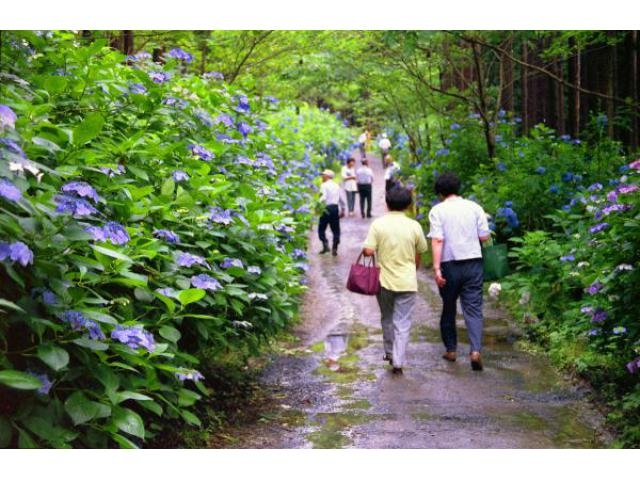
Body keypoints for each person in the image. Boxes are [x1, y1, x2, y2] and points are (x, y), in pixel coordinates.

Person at [427, 172, 491, 371]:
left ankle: (451, 350)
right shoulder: (475, 208)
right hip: (473, 263)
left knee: (448, 306)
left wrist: (437, 269)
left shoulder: (437, 211)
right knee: (473, 307)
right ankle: (475, 351)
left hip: (449, 264)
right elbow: (484, 237)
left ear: (440, 192)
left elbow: (438, 240)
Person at [362, 186, 428, 375]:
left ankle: (390, 352)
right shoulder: (414, 226)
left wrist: (372, 249)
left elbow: (368, 250)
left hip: (383, 281)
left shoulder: (378, 224)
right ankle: (398, 361)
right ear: (408, 205)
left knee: (387, 317)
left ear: (387, 203)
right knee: (403, 321)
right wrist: (412, 268)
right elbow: (419, 252)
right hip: (407, 281)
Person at [318, 169, 345, 256]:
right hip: (334, 208)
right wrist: (343, 209)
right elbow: (341, 198)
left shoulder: (324, 185)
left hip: (326, 208)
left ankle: (325, 244)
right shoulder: (336, 185)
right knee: (336, 229)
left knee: (321, 228)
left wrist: (317, 204)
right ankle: (335, 248)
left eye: (323, 175)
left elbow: (323, 197)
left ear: (328, 176)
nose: (322, 176)